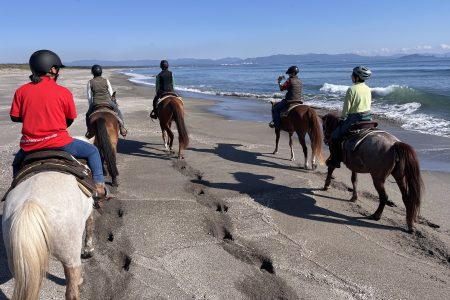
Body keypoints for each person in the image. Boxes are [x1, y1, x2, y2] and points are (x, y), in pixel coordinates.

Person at [10, 50, 108, 198]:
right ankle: (99, 187)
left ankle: (15, 190)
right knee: (92, 151)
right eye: (57, 68)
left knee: (17, 164)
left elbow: (15, 117)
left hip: (29, 145)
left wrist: (33, 117)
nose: (58, 71)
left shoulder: (21, 91)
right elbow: (69, 119)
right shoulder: (63, 92)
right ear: (51, 69)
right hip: (60, 142)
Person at [326, 66, 373, 168]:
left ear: (356, 77)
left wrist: (343, 118)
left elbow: (346, 108)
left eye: (352, 75)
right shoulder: (368, 89)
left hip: (355, 119)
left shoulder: (351, 89)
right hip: (368, 118)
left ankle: (335, 160)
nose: (351, 76)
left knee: (334, 136)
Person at [85, 64, 127, 137]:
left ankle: (89, 131)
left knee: (87, 115)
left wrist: (90, 106)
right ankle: (122, 128)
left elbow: (89, 96)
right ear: (101, 72)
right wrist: (113, 101)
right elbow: (111, 93)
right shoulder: (106, 80)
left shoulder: (90, 82)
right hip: (108, 101)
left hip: (96, 102)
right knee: (118, 111)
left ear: (92, 72)